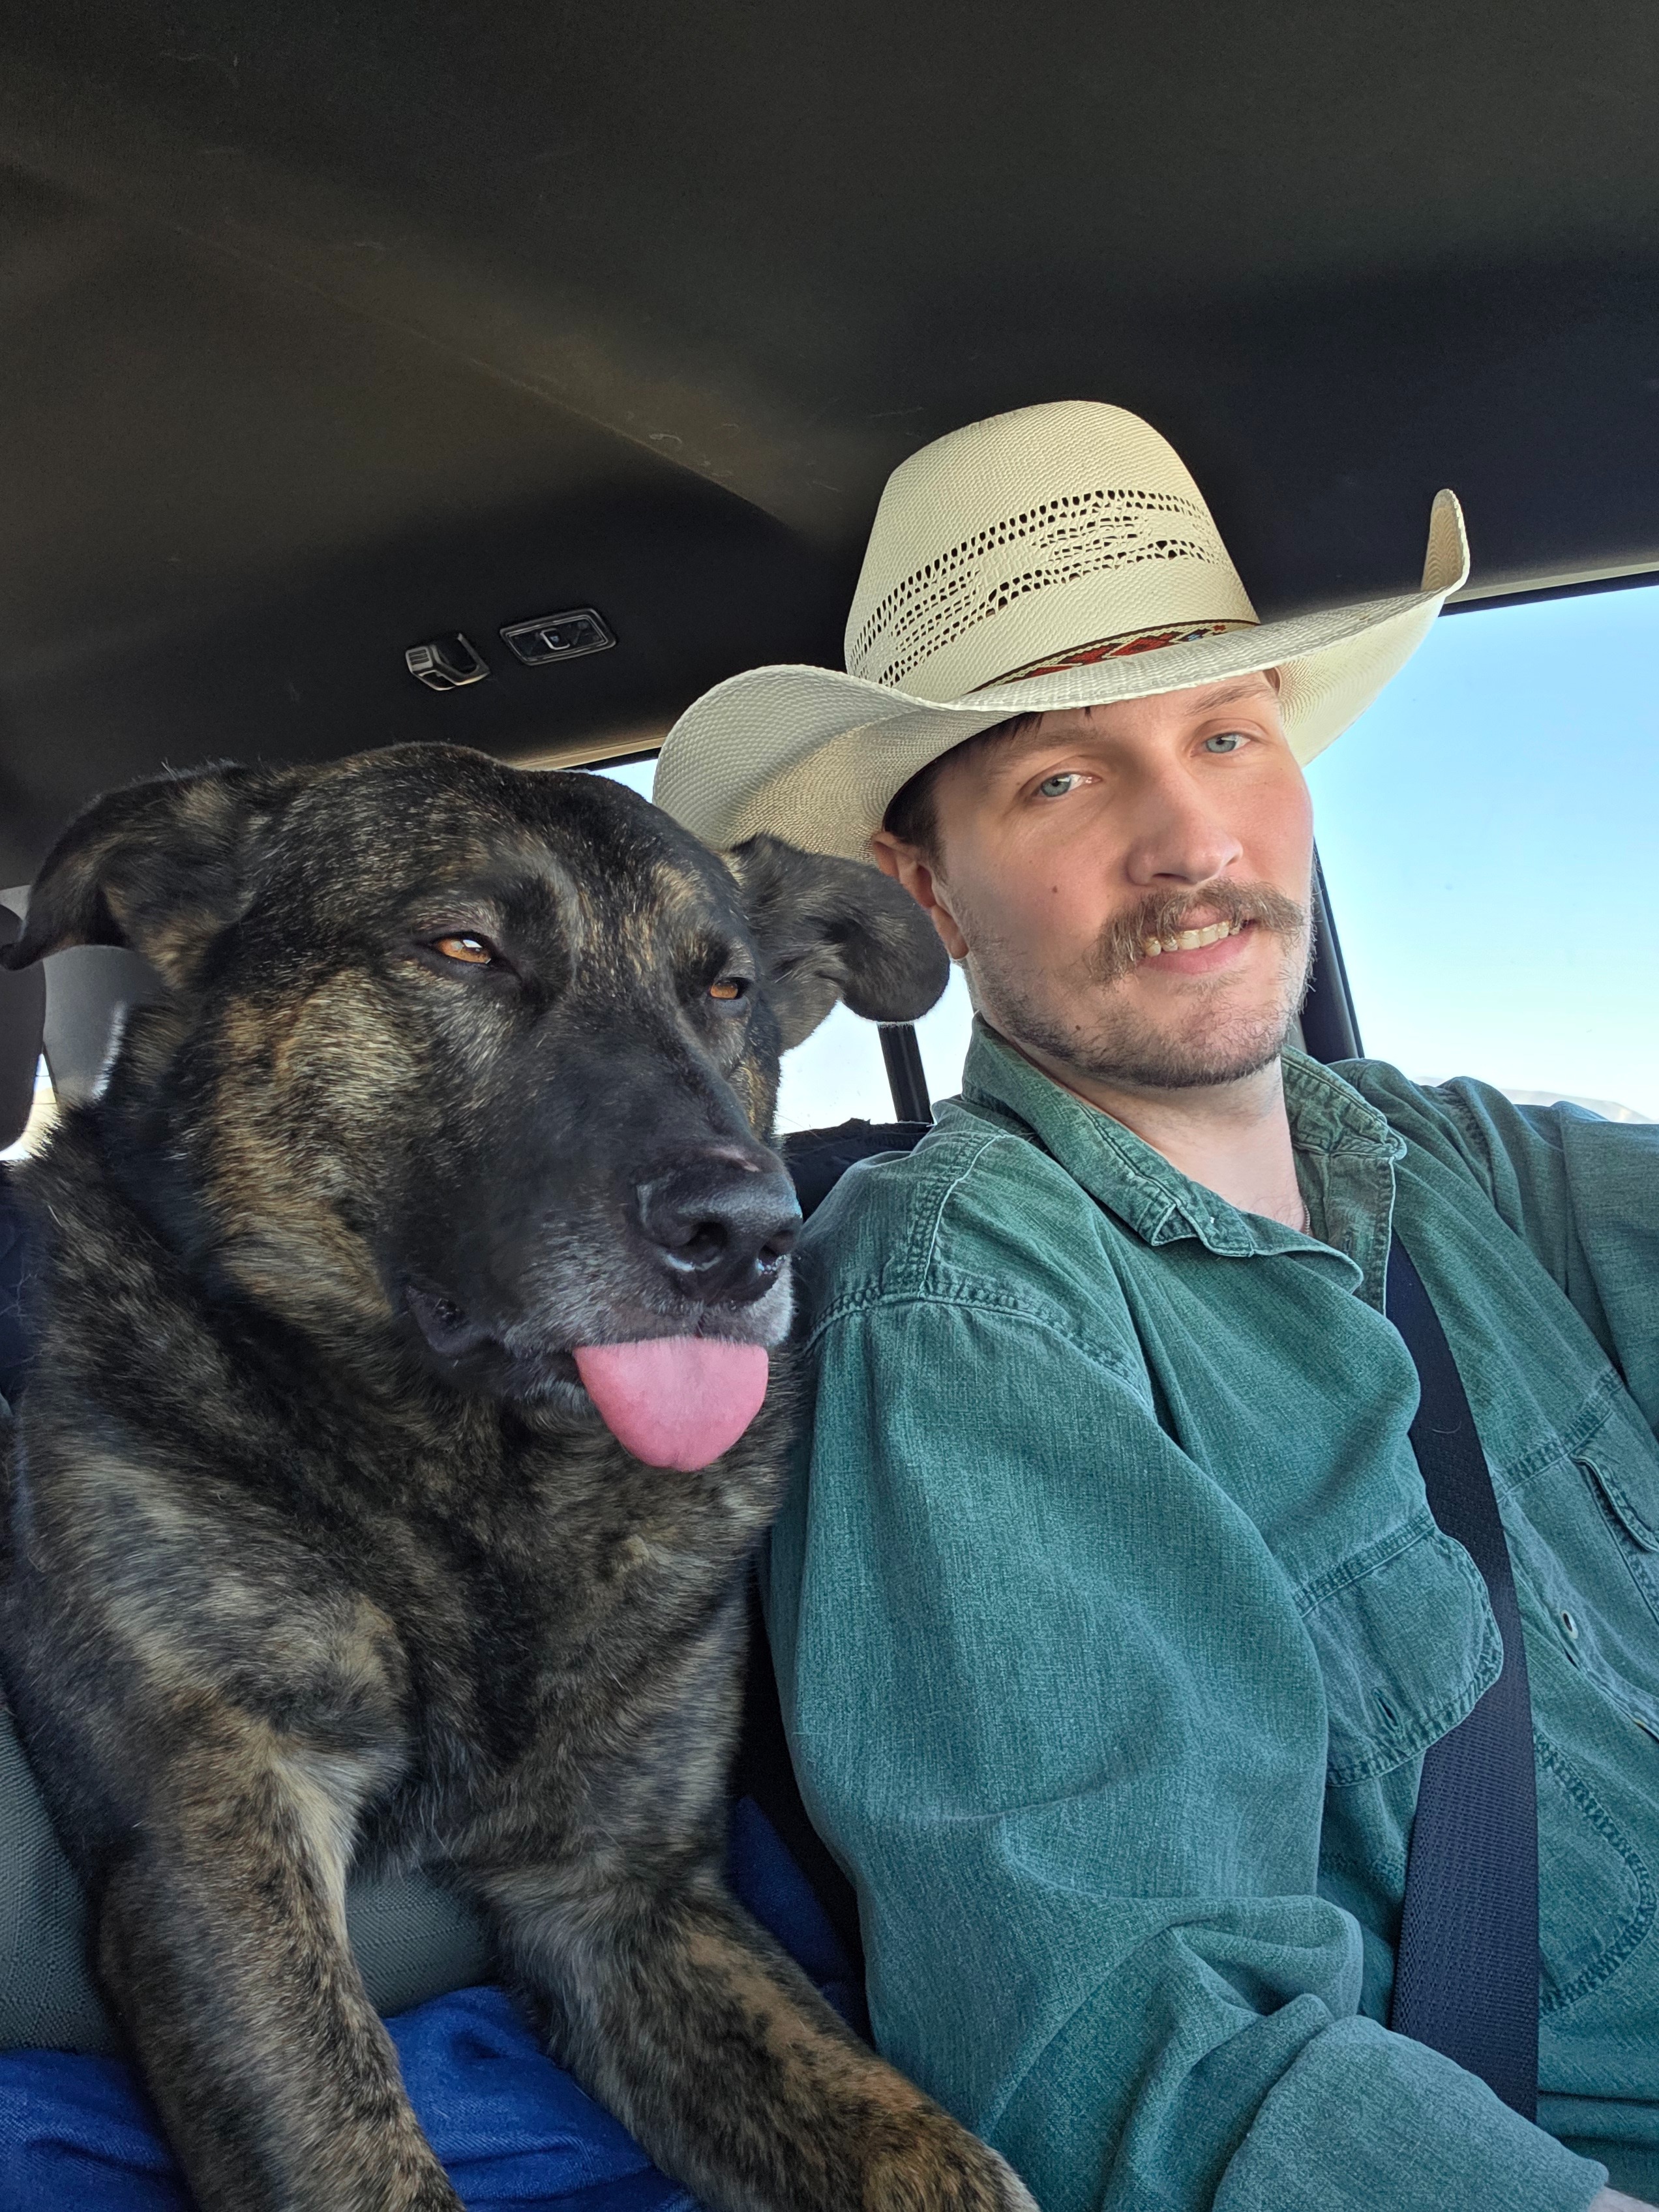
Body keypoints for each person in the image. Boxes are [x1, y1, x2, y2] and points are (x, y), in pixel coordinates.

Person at [653, 401, 1659, 2212]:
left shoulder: (1460, 1164)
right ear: (923, 886)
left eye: (1226, 735)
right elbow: (1134, 2057)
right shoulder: (970, 1302)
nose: (1191, 838)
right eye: (1062, 778)